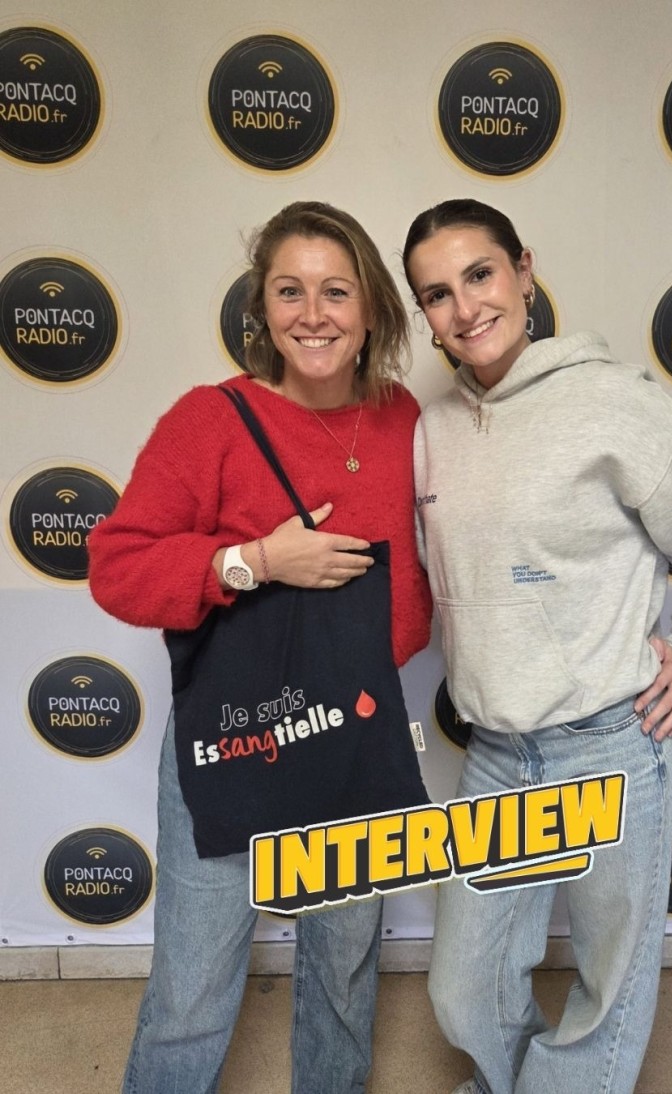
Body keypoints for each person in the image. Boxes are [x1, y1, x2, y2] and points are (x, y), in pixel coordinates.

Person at [401, 198, 672, 1094]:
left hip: (611, 743)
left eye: (480, 275)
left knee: (610, 990)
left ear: (523, 272)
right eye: (437, 294)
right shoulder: (431, 430)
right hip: (498, 754)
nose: (465, 308)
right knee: (462, 989)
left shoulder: (609, 401)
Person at [87, 201, 432, 1094]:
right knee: (195, 984)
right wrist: (255, 562)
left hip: (354, 729)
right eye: (289, 291)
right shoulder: (211, 420)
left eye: (335, 291)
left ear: (371, 309)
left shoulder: (401, 418)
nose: (312, 314)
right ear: (261, 307)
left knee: (345, 967)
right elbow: (117, 570)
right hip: (237, 732)